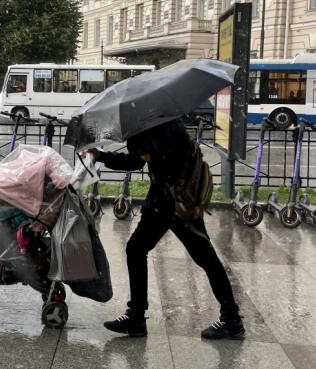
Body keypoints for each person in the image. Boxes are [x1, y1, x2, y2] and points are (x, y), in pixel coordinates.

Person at [83, 118, 244, 339]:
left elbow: (143, 150)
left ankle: (231, 318)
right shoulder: (156, 124)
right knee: (138, 249)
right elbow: (136, 161)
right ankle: (137, 317)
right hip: (162, 203)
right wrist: (101, 155)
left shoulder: (170, 126)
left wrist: (132, 132)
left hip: (178, 204)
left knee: (204, 257)